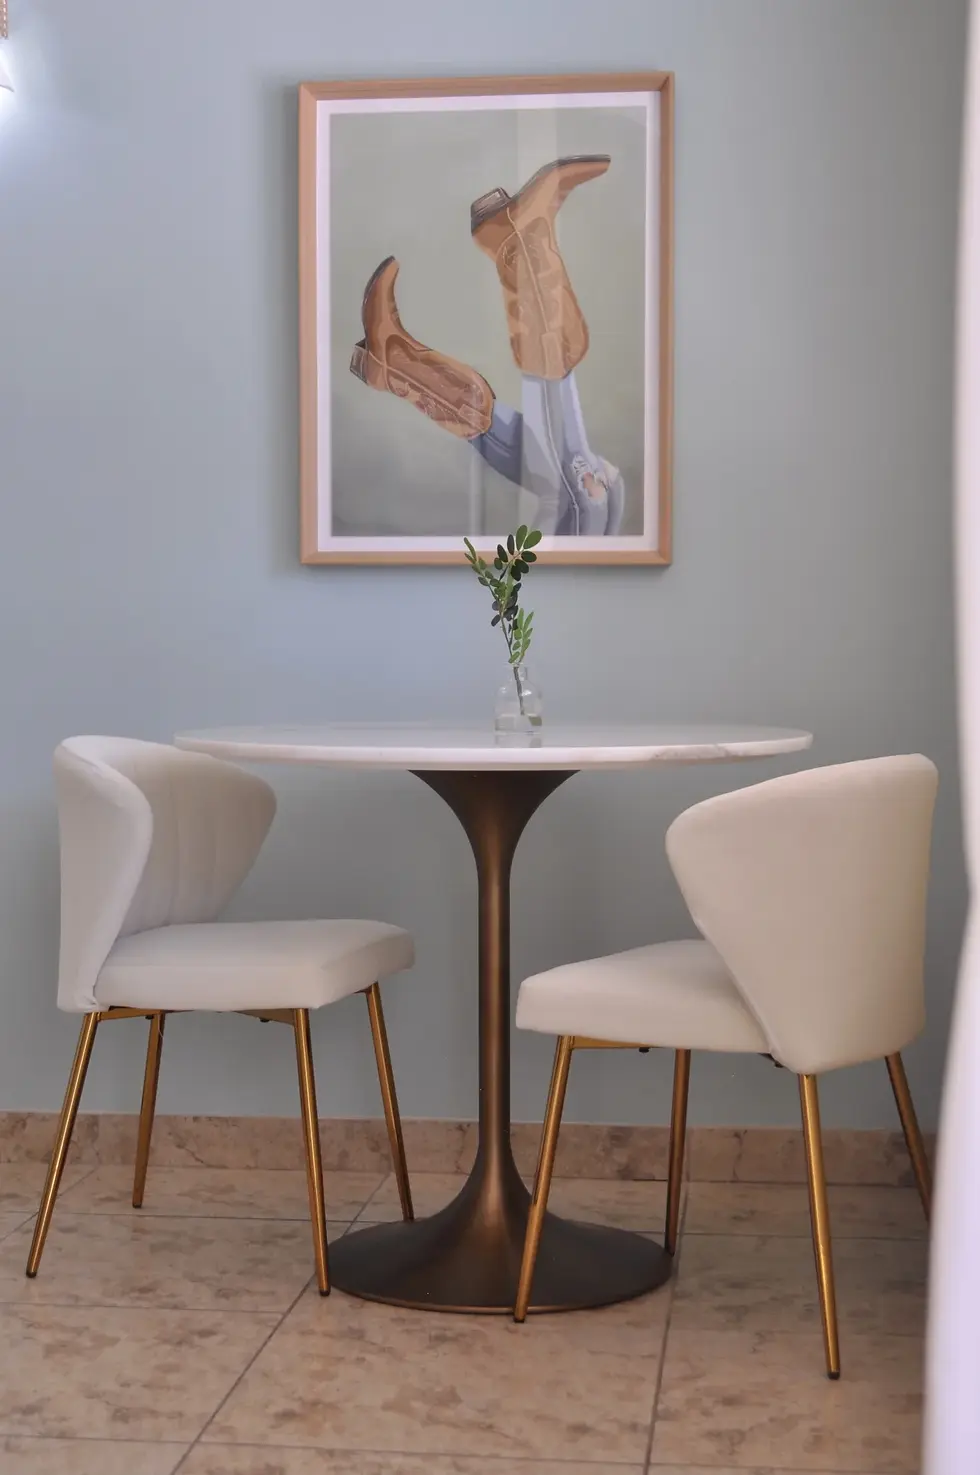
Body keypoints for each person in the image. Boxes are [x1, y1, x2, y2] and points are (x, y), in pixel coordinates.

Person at [349, 155, 624, 537]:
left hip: (549, 584)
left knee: (585, 492)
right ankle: (394, 361)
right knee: (605, 490)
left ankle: (517, 243)